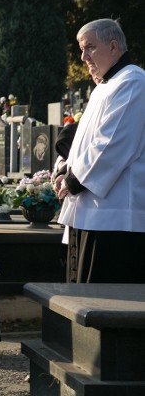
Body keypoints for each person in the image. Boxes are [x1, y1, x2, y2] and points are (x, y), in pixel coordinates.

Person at [54, 18, 145, 284]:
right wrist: (63, 169)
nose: (83, 57)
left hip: (116, 219)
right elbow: (85, 141)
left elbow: (112, 144)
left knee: (106, 301)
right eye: (82, 49)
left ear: (113, 46)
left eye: (89, 48)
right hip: (93, 213)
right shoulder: (106, 86)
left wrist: (73, 180)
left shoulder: (133, 82)